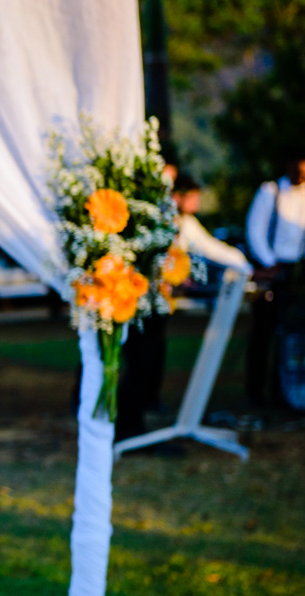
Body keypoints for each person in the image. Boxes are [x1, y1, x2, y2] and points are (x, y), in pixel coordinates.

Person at [115, 172, 252, 439]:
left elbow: (211, 248)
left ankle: (137, 421)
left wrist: (246, 267)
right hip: (138, 301)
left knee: (150, 359)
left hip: (158, 303)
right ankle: (128, 428)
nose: (197, 202)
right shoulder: (154, 219)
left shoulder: (183, 223)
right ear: (177, 196)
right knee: (140, 362)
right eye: (193, 196)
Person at [245, 150, 305, 407]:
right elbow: (255, 230)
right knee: (264, 332)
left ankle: (283, 390)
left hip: (297, 270)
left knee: (290, 333)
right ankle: (256, 392)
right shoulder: (271, 191)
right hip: (272, 268)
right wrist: (270, 263)